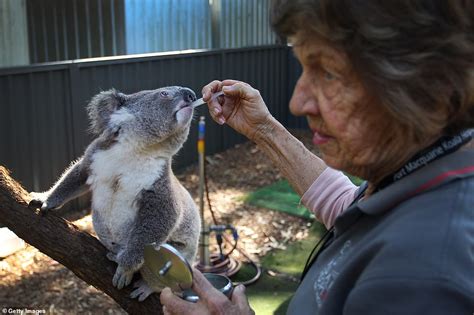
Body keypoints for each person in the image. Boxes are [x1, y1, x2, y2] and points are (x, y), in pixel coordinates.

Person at [161, 0, 474, 314]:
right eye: (303, 66)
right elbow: (350, 208)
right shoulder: (424, 168)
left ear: (426, 85)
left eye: (329, 73)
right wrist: (263, 129)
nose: (298, 102)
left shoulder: (422, 279)